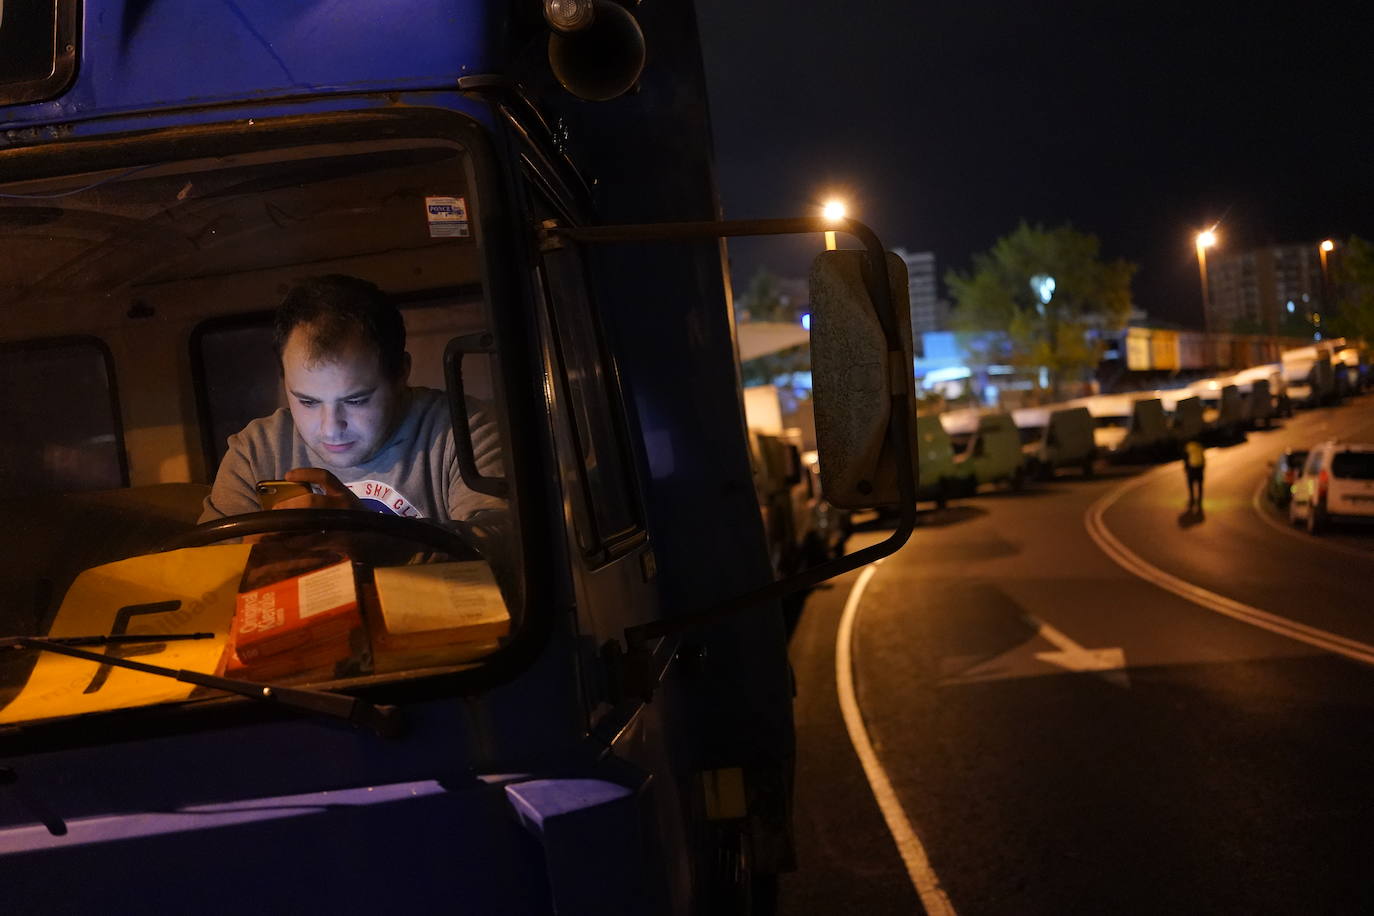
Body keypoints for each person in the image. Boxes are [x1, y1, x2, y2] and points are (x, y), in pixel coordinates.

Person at [200, 275, 504, 529]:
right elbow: (205, 568)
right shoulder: (254, 452)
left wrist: (374, 539)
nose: (331, 429)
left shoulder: (461, 430)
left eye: (356, 400)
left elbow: (503, 549)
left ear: (401, 374)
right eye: (307, 402)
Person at [1183, 437, 1206, 510]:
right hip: (1199, 467)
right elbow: (1203, 457)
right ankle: (1199, 499)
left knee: (1190, 484)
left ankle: (1192, 499)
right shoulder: (1199, 446)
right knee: (1200, 484)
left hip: (1192, 468)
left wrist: (1186, 468)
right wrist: (1203, 466)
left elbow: (1185, 458)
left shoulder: (1188, 446)